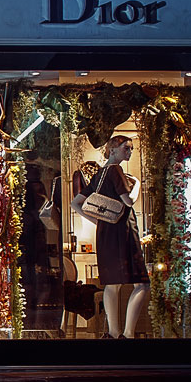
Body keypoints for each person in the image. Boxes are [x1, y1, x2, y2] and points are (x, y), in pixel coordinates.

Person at [71, 135, 149, 339]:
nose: (129, 152)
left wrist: (99, 222)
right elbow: (129, 201)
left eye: (131, 149)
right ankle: (128, 334)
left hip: (106, 234)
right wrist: (138, 184)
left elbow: (75, 203)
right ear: (112, 150)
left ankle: (114, 333)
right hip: (123, 232)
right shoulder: (115, 170)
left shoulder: (99, 174)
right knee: (141, 283)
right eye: (126, 148)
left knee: (112, 284)